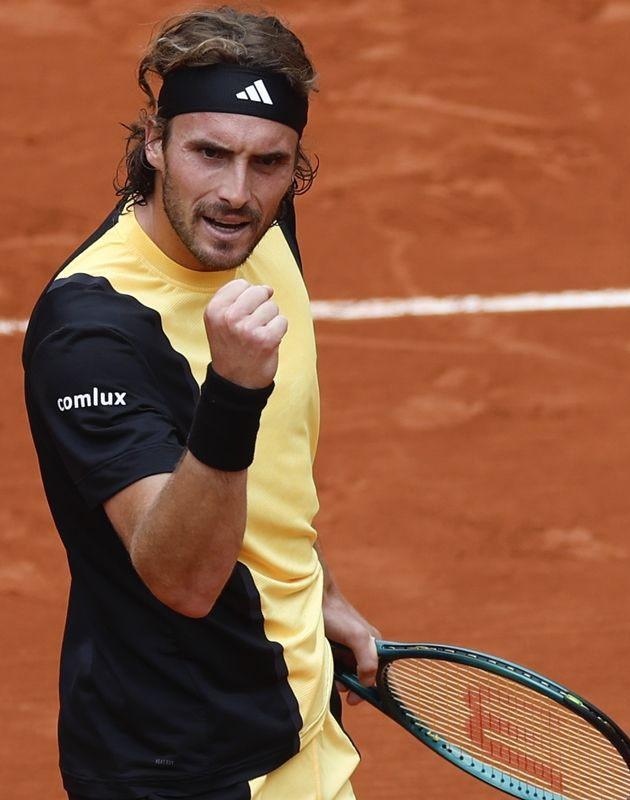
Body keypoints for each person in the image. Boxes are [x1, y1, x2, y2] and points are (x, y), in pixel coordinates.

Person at [22, 7, 379, 799]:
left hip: (300, 721)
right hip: (185, 765)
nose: (235, 194)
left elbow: (276, 478)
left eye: (269, 162)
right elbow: (179, 577)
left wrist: (317, 587)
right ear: (154, 142)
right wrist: (233, 392)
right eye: (208, 153)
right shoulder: (94, 332)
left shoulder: (258, 226)